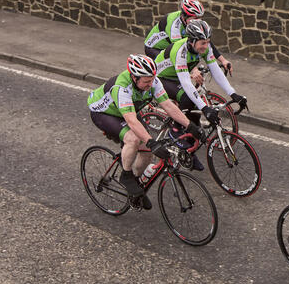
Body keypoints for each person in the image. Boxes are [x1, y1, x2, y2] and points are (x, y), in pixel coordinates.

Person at [87, 54, 203, 210]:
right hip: (105, 113)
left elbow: (168, 106)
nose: (151, 84)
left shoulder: (152, 81)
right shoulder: (122, 88)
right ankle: (126, 176)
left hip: (128, 111)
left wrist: (190, 126)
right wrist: (151, 141)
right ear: (134, 78)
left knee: (147, 152)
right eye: (146, 81)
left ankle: (135, 186)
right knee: (134, 139)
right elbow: (131, 121)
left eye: (152, 79)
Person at [154, 19, 247, 169]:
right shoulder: (180, 51)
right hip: (161, 78)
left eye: (208, 42)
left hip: (176, 76)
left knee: (195, 117)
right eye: (202, 43)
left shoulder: (205, 47)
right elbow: (185, 83)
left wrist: (233, 94)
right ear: (191, 41)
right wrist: (205, 108)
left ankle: (188, 153)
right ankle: (175, 131)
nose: (206, 46)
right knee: (186, 97)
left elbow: (216, 72)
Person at [143, 0, 232, 75]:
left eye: (200, 18)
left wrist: (223, 60)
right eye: (195, 18)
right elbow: (178, 50)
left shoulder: (191, 23)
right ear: (183, 16)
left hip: (169, 47)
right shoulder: (174, 25)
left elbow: (205, 40)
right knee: (173, 73)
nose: (198, 21)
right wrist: (193, 69)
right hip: (154, 48)